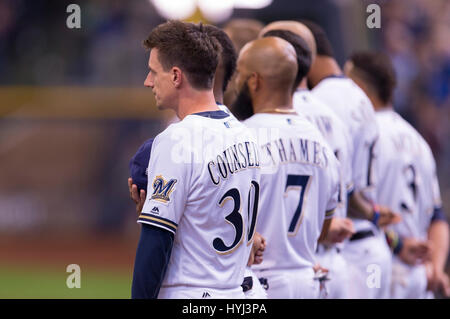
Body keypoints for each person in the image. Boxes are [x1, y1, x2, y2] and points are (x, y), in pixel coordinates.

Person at [128, 24, 267, 299]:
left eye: (154, 71)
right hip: (239, 293)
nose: (148, 81)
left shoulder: (176, 140)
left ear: (176, 76)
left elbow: (156, 241)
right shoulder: (246, 135)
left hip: (191, 292)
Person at [234, 36, 340, 298]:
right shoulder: (321, 142)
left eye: (240, 73)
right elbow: (324, 230)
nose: (236, 80)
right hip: (308, 280)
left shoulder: (241, 137)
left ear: (254, 81)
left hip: (257, 283)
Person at [302, 20, 402, 298]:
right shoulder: (360, 96)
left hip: (344, 243)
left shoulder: (320, 100)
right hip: (369, 242)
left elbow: (342, 185)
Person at [259, 22, 355, 298]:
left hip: (283, 264)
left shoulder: (271, 119)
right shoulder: (333, 117)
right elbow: (344, 190)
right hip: (331, 263)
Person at [345, 51, 450, 298]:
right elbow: (437, 217)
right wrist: (435, 268)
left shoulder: (364, 135)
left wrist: (398, 244)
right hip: (418, 275)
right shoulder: (418, 140)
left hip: (379, 267)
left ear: (359, 87)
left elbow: (355, 208)